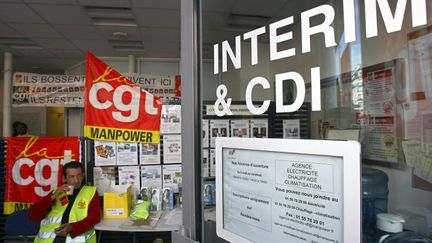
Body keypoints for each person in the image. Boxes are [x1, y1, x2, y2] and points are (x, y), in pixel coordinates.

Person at [28, 161, 101, 243]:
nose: (76, 180)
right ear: (64, 178)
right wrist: (52, 197)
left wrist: (72, 227)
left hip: (76, 238)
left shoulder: (90, 192)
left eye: (79, 175)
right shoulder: (57, 192)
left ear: (83, 175)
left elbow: (95, 217)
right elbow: (32, 215)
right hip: (50, 239)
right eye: (71, 176)